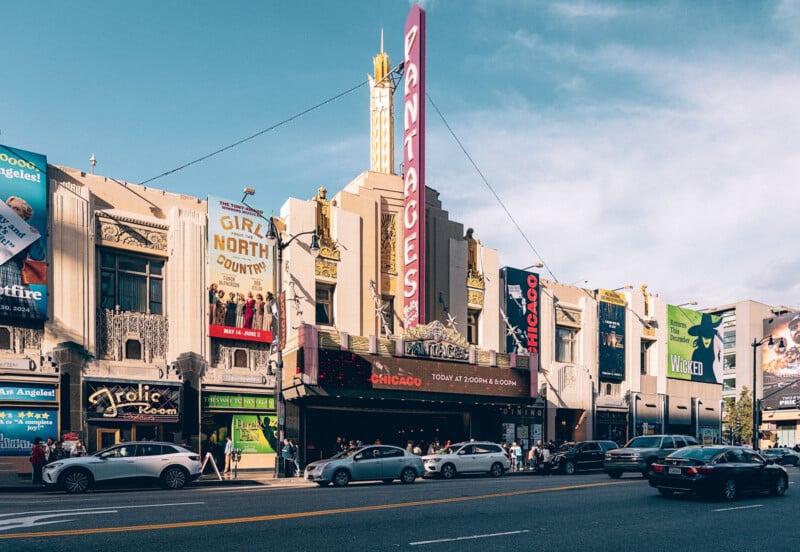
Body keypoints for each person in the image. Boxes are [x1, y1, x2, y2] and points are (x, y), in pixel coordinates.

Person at [0, 196, 46, 319]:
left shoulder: (28, 232)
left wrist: (34, 238)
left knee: (23, 314)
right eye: (9, 207)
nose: (11, 210)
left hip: (14, 276)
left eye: (16, 209)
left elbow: (38, 257)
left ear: (24, 216)